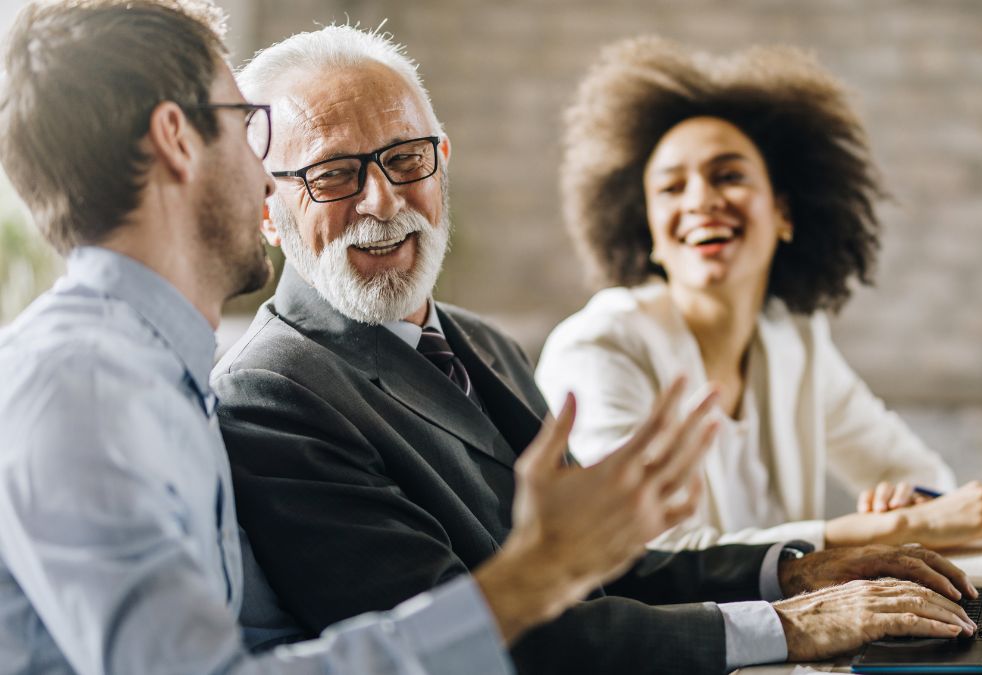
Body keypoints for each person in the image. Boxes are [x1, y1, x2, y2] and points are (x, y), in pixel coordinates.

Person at [213, 24, 979, 675]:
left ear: (442, 162)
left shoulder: (480, 341)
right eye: (333, 175)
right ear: (268, 212)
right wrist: (792, 626)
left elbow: (607, 568)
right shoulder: (272, 392)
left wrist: (795, 569)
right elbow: (480, 638)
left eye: (404, 158)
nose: (382, 201)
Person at [0, 2, 723, 673]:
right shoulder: (85, 385)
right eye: (245, 121)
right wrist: (528, 580)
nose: (265, 173)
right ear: (176, 139)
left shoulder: (154, 376)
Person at [537, 36, 982, 553]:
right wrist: (893, 529)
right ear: (649, 231)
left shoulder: (792, 338)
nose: (702, 200)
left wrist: (903, 501)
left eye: (728, 175)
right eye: (671, 188)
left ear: (784, 214)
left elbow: (918, 474)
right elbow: (651, 557)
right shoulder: (600, 348)